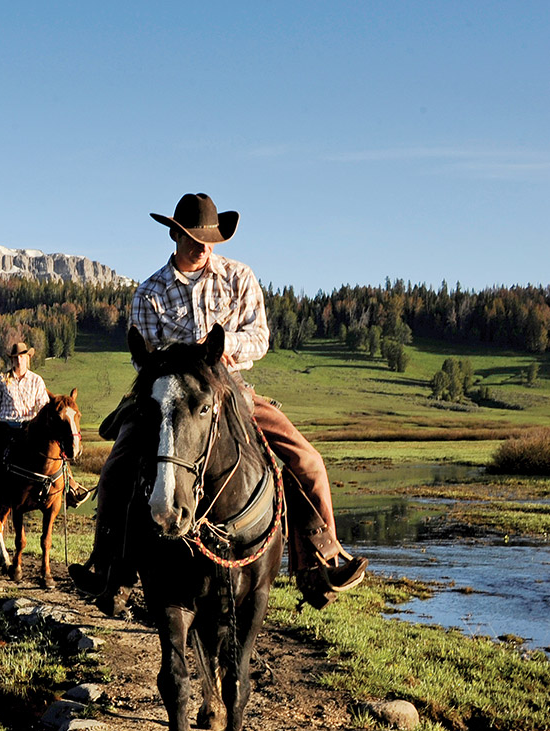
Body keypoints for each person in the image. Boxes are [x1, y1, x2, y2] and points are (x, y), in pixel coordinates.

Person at [71, 192, 366, 611]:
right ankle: (110, 568)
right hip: (168, 395)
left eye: (211, 238)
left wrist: (225, 349)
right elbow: (143, 356)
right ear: (174, 233)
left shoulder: (239, 277)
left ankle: (320, 563)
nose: (205, 246)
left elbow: (260, 337)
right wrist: (182, 359)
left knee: (308, 460)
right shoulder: (149, 292)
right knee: (118, 466)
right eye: (195, 236)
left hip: (229, 387)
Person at [0, 341, 49, 505]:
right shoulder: (2, 380)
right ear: (12, 360)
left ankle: (67, 489)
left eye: (22, 356)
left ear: (28, 358)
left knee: (51, 454)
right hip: (7, 427)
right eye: (16, 357)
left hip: (29, 428)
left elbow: (43, 406)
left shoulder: (36, 381)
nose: (19, 360)